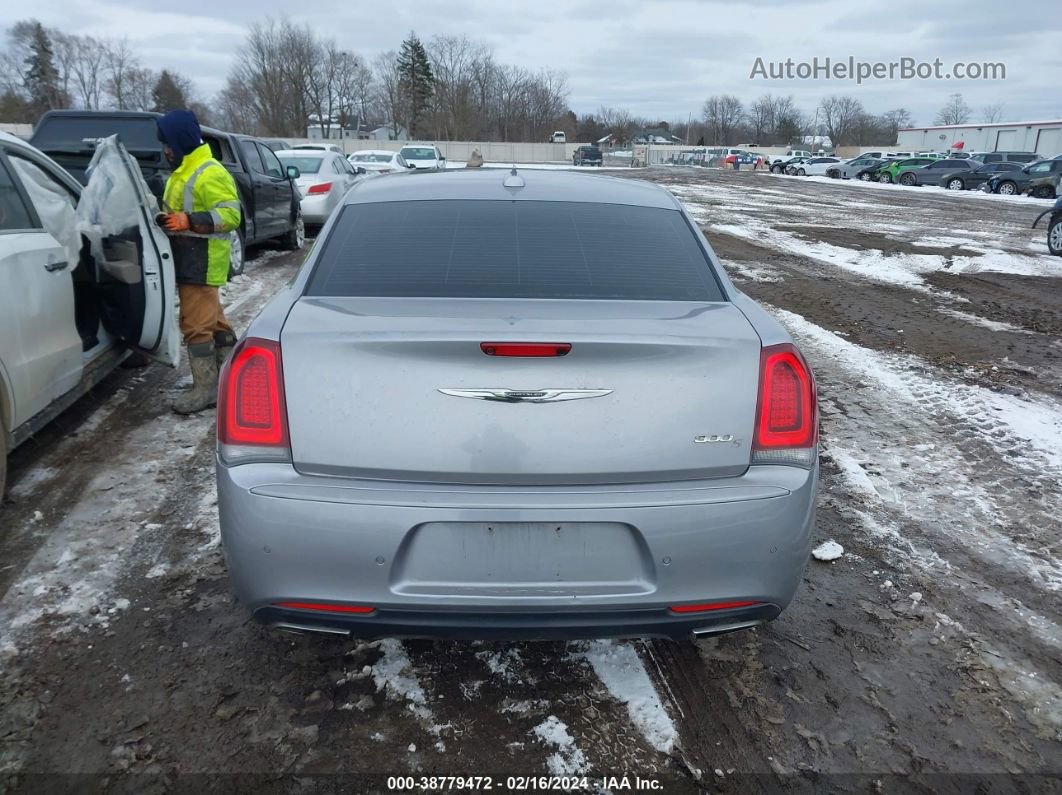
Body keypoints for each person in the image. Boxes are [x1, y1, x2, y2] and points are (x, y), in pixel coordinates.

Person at [155, 109, 242, 414]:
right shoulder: (183, 171)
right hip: (190, 258)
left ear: (179, 141)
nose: (165, 150)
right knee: (216, 323)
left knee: (196, 326)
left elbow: (232, 215)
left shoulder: (210, 171)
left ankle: (205, 390)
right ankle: (230, 382)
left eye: (167, 143)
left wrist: (188, 220)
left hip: (202, 262)